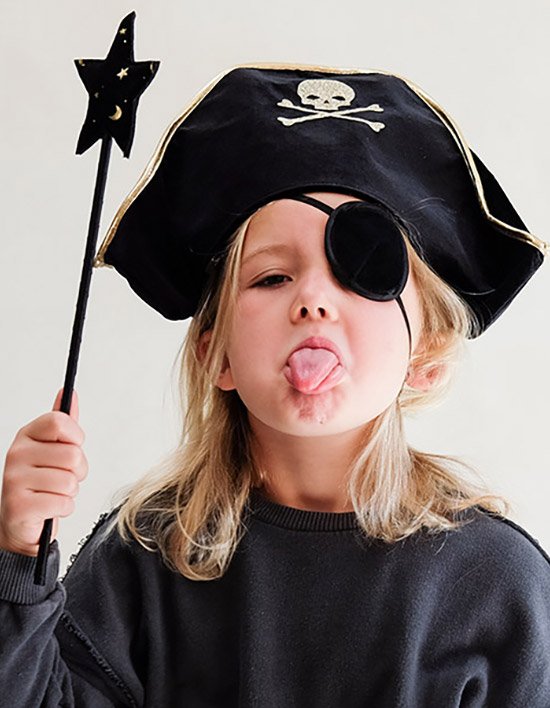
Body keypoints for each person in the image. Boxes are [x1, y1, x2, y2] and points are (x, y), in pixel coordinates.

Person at [1, 64, 549, 707]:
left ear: (424, 354)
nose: (313, 300)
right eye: (270, 278)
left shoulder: (498, 586)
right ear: (217, 356)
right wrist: (17, 556)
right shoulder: (144, 558)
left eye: (362, 270)